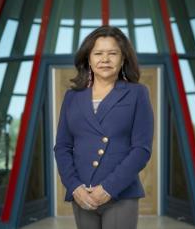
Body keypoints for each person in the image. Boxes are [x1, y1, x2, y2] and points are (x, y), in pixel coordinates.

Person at [54, 25, 154, 229]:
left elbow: (141, 150)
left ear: (123, 58)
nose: (105, 59)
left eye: (112, 53)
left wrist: (108, 188)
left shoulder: (137, 93)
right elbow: (62, 147)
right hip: (82, 194)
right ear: (88, 59)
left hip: (121, 194)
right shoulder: (72, 97)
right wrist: (74, 187)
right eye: (98, 53)